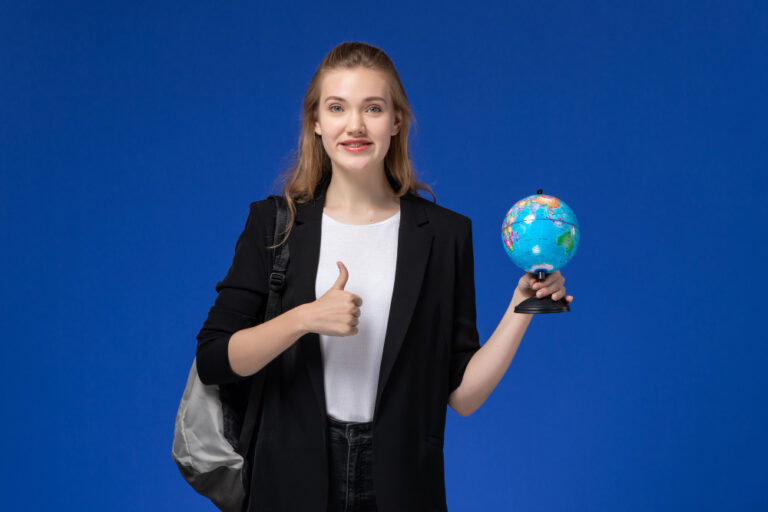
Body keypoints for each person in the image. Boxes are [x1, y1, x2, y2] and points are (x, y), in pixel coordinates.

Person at [195, 41, 573, 512]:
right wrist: (303, 318)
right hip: (290, 477)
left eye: (373, 108)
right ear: (316, 122)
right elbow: (214, 358)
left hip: (402, 483)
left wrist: (523, 308)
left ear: (396, 121)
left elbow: (462, 396)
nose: (354, 125)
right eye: (337, 107)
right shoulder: (275, 224)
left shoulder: (444, 235)